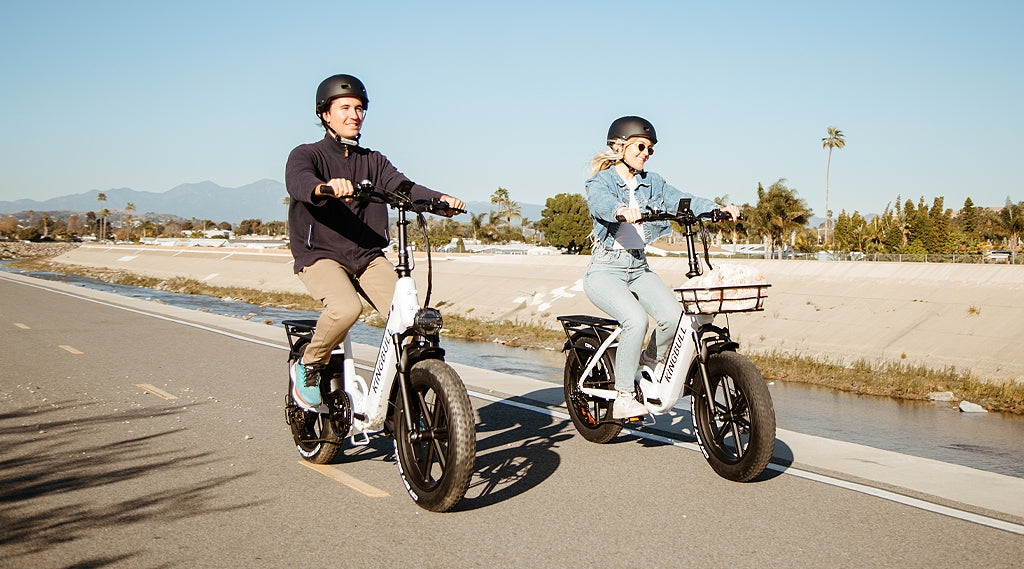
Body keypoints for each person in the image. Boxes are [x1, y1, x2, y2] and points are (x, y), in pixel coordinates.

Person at [285, 73, 465, 409]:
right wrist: (324, 188)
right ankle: (309, 366)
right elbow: (299, 181)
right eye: (345, 108)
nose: (354, 115)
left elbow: (403, 187)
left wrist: (439, 200)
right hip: (320, 255)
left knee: (413, 323)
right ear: (325, 113)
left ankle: (400, 402)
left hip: (367, 255)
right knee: (345, 308)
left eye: (360, 108)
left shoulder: (374, 161)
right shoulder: (306, 154)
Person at [583, 116, 739, 419]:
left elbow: (683, 200)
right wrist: (620, 211)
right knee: (635, 320)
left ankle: (649, 361)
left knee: (673, 317)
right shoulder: (600, 181)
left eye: (650, 149)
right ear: (620, 146)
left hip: (639, 268)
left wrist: (716, 209)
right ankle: (624, 397)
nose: (645, 153)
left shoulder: (653, 182)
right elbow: (599, 202)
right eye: (641, 146)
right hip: (605, 270)